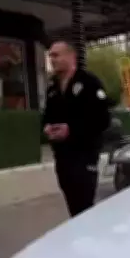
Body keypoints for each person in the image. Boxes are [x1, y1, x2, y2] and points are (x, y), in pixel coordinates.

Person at [42, 40, 112, 217]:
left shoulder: (89, 83)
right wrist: (47, 128)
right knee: (73, 207)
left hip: (84, 157)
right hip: (62, 159)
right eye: (50, 56)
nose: (52, 59)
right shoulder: (52, 88)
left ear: (70, 56)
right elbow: (47, 116)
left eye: (56, 55)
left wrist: (71, 130)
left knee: (84, 207)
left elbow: (102, 120)